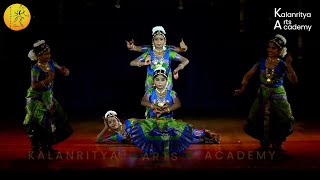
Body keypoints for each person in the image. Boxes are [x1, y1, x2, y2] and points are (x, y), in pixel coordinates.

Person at [233, 34, 298, 151]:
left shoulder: (283, 64)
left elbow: (294, 81)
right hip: (263, 94)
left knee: (282, 119)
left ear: (280, 50)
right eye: (269, 47)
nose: (269, 50)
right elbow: (248, 75)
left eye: (273, 48)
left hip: (278, 95)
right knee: (257, 118)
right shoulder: (261, 62)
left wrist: (289, 65)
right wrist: (242, 88)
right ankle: (264, 142)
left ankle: (277, 143)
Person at [23, 40, 73, 155]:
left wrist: (65, 71)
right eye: (46, 54)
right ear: (38, 55)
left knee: (52, 121)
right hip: (36, 98)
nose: (49, 56)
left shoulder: (51, 62)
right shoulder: (35, 69)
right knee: (38, 122)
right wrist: (48, 79)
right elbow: (34, 86)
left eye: (49, 53)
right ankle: (35, 150)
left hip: (47, 96)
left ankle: (48, 149)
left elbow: (61, 69)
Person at [129, 26, 189, 91]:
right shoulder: (149, 53)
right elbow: (132, 63)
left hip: (166, 85)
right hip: (151, 84)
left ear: (165, 41)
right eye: (156, 39)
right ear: (153, 41)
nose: (158, 41)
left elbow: (185, 60)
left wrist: (177, 69)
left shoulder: (169, 53)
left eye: (161, 39)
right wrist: (143, 63)